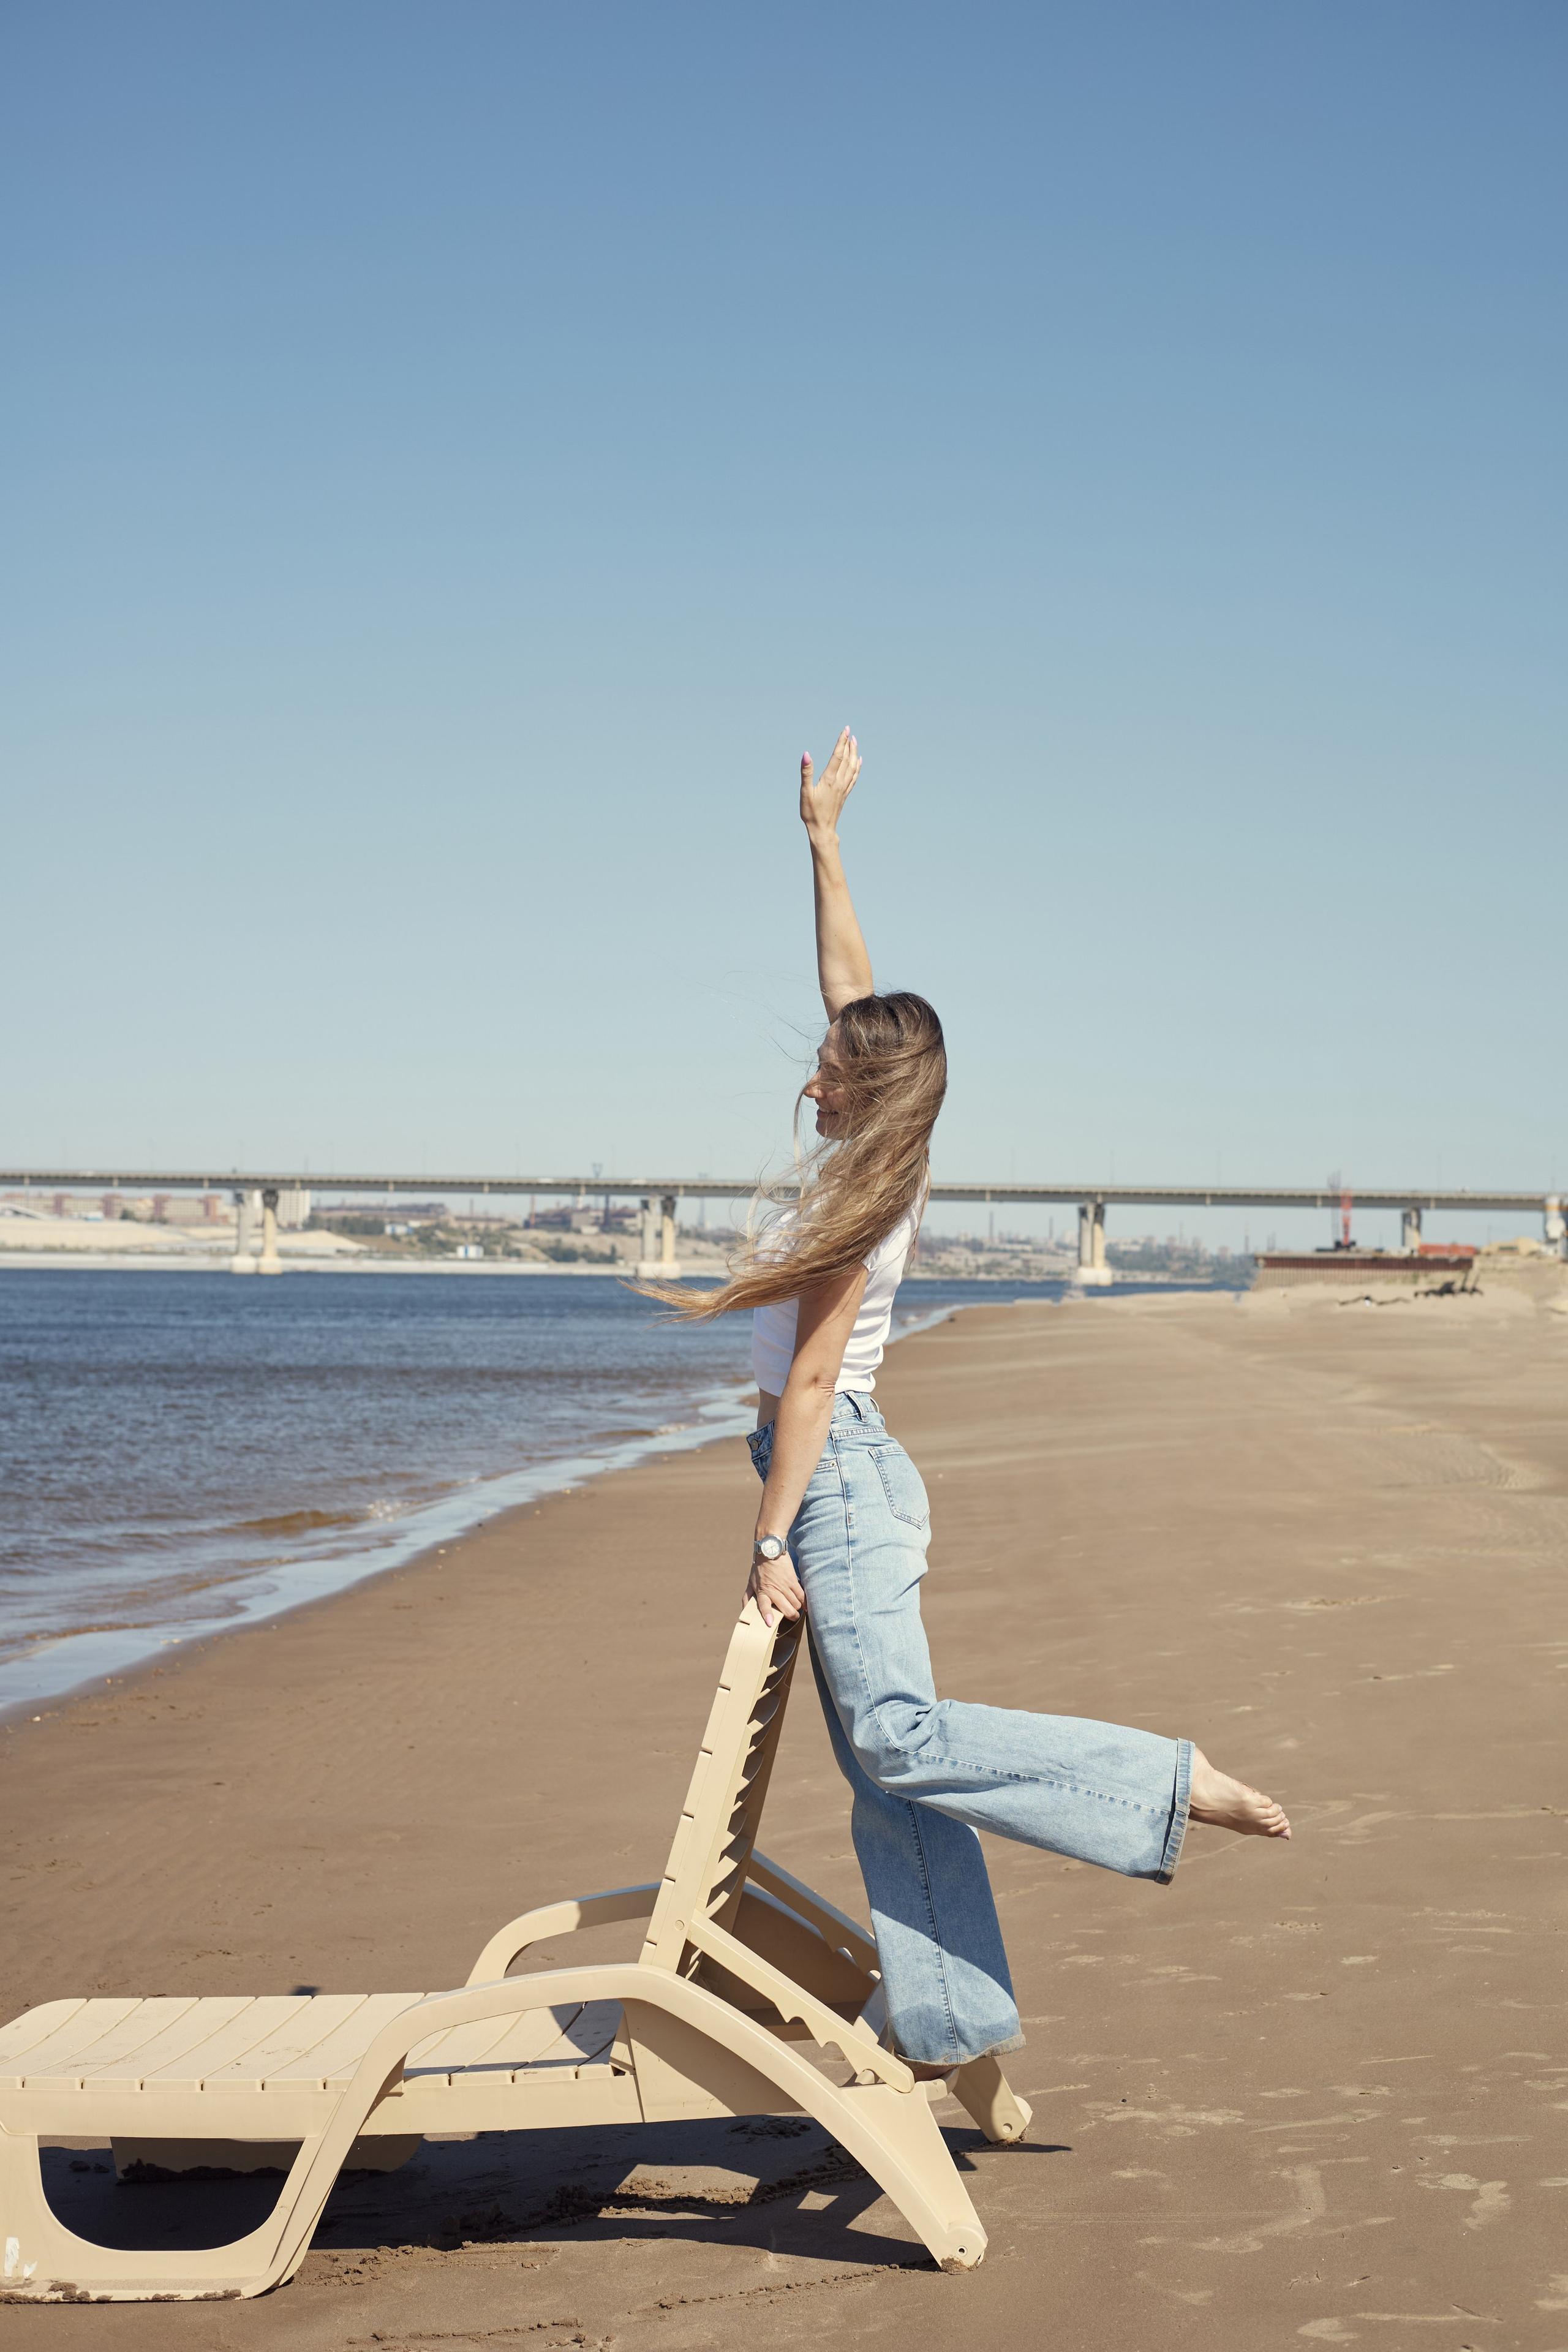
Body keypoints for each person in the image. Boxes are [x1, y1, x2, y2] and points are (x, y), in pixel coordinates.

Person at [645, 729, 1290, 2078]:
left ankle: (1167, 1785)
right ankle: (945, 2023)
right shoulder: (889, 1150)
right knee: (893, 1769)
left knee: (898, 1738)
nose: (810, 1065)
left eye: (828, 1060)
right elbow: (853, 984)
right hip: (841, 1475)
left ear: (860, 1088)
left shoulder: (857, 1196)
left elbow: (812, 1384)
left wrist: (767, 1544)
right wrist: (821, 840)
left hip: (831, 1480)